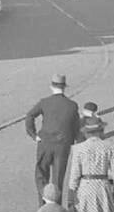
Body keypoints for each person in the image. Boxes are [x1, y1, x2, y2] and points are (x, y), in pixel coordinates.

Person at [66, 115, 114, 212]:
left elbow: (74, 175)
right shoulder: (109, 146)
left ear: (86, 132)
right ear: (100, 130)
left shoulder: (78, 148)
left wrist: (70, 197)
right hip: (102, 187)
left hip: (85, 187)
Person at [25, 73, 79, 201]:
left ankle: (43, 204)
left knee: (41, 175)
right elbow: (76, 127)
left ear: (51, 86)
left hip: (45, 143)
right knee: (58, 179)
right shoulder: (72, 105)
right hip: (62, 145)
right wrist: (73, 139)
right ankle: (56, 209)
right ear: (64, 87)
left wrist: (34, 135)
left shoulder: (45, 102)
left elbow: (30, 116)